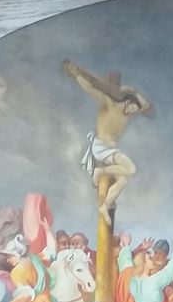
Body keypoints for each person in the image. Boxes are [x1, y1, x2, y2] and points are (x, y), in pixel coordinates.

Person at [61, 60, 153, 222]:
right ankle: (101, 172)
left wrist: (134, 91)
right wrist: (76, 74)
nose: (133, 112)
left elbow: (145, 107)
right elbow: (90, 89)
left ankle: (105, 206)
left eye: (135, 110)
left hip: (109, 151)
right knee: (131, 169)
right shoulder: (111, 104)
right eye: (132, 107)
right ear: (127, 102)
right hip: (101, 147)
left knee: (122, 181)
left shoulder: (128, 114)